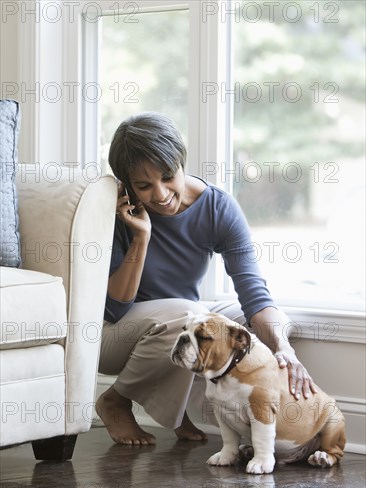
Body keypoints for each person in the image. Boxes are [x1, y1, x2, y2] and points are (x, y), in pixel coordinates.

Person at [97, 111, 316, 445]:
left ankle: (247, 417)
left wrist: (284, 349)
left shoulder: (217, 209)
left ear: (182, 162)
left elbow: (254, 295)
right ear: (127, 186)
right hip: (110, 336)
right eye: (144, 186)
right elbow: (113, 308)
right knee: (191, 315)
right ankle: (115, 401)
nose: (160, 194)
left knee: (240, 323)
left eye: (168, 176)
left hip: (170, 326)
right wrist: (141, 236)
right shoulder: (113, 213)